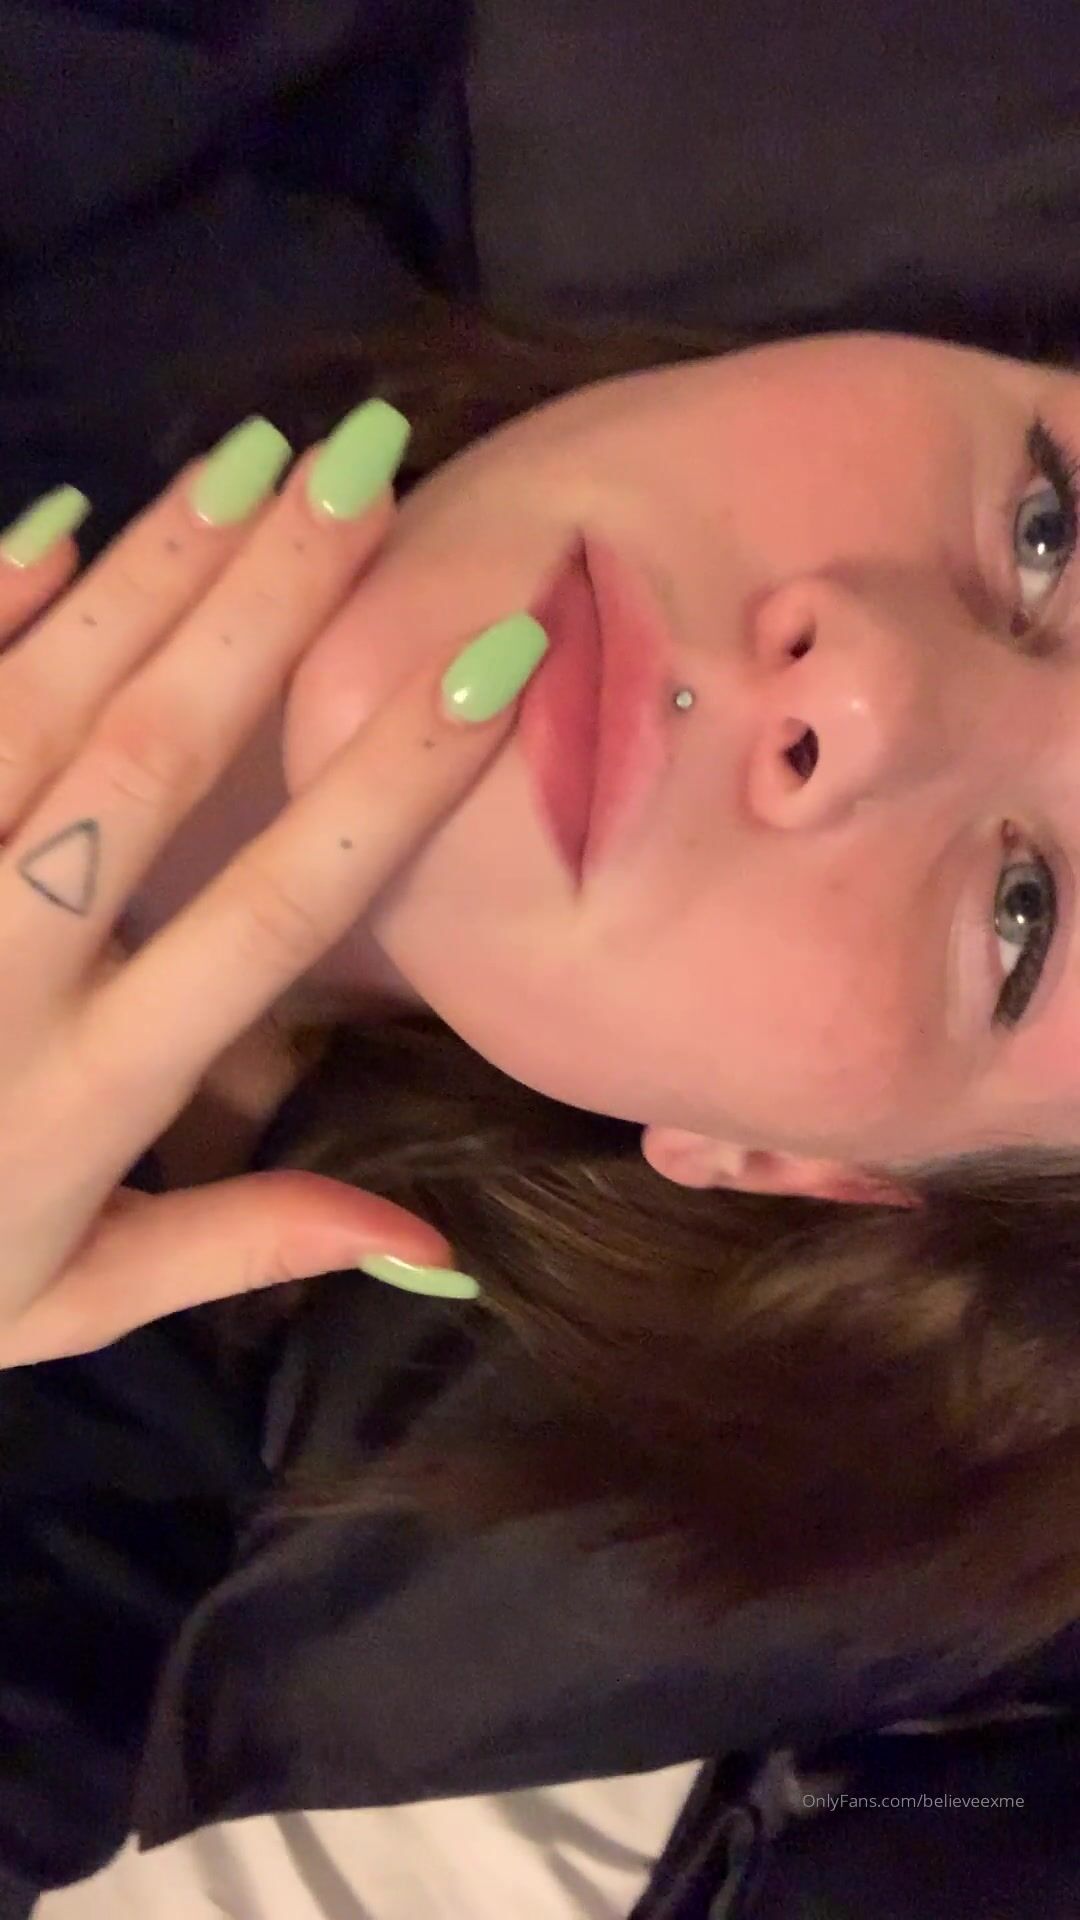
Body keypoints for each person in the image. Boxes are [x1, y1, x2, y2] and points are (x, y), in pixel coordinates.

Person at [5, 298, 1080, 1916]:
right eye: (1048, 532)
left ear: (786, 1163)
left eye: (1023, 920)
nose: (866, 683)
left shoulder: (73, 1560)